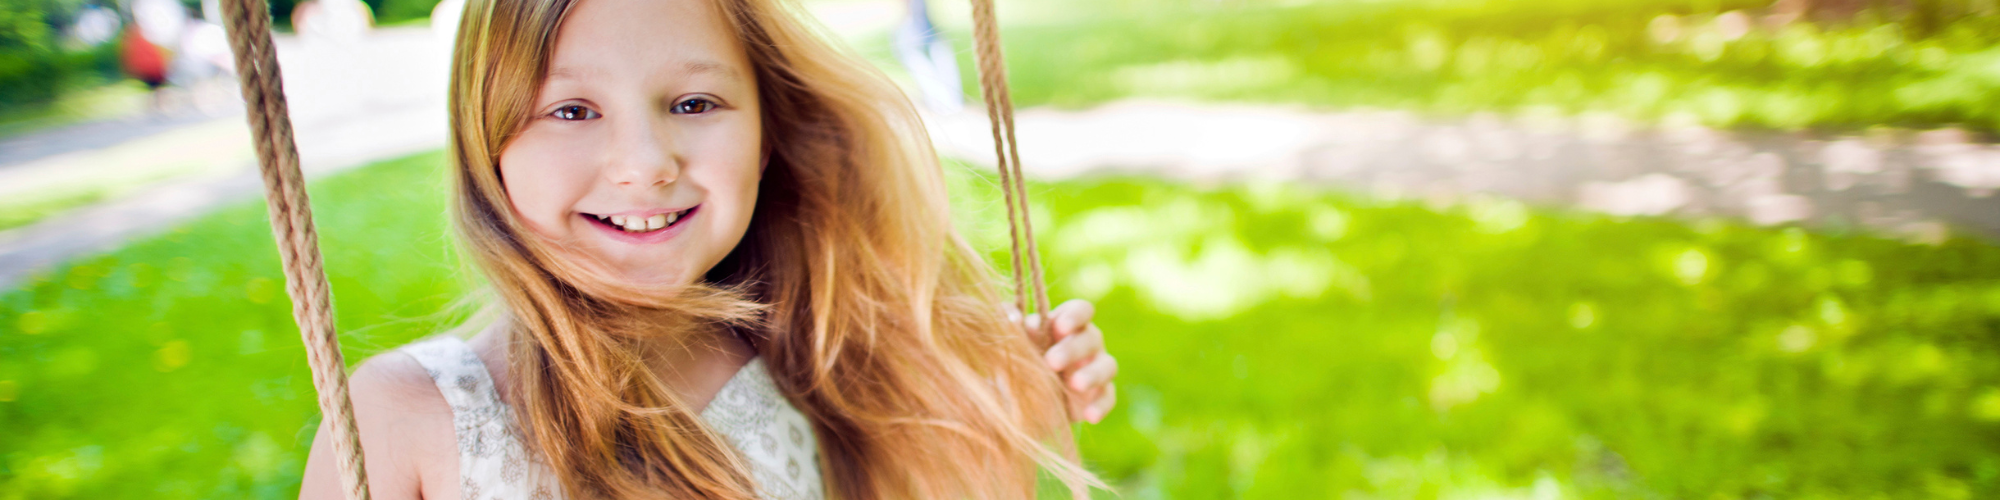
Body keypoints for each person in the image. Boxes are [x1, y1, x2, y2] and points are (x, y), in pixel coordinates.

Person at [296, 0, 1120, 497]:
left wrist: (997, 407)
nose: (645, 164)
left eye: (694, 103)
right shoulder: (407, 418)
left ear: (766, 136)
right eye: (573, 111)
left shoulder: (812, 364)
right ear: (489, 146)